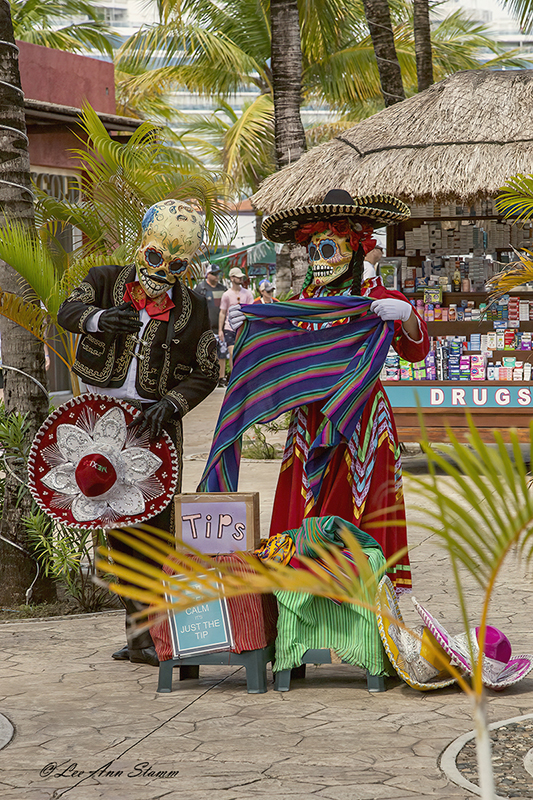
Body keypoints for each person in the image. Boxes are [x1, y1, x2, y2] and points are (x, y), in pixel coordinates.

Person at [218, 189, 429, 594]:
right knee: (304, 501)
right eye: (313, 249)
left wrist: (407, 317)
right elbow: (278, 354)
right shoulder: (299, 303)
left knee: (363, 502)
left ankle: (370, 607)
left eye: (329, 246)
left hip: (363, 418)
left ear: (354, 247)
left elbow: (415, 351)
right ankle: (303, 603)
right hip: (311, 418)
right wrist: (252, 325)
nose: (320, 259)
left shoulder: (377, 299)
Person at [57, 198, 219, 665]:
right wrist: (98, 319)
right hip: (97, 425)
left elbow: (206, 371)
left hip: (154, 424)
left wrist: (171, 403)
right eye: (154, 257)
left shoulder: (197, 306)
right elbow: (68, 312)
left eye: (177, 263)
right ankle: (139, 636)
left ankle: (150, 635)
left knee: (154, 530)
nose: (163, 270)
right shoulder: (104, 281)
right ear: (140, 246)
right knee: (109, 527)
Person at [194, 263, 229, 387]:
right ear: (207, 275)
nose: (216, 276)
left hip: (220, 327)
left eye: (218, 273)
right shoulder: (200, 288)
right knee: (206, 353)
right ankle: (206, 377)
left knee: (222, 353)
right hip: (205, 327)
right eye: (214, 274)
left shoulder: (223, 289)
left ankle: (221, 378)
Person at [218, 266, 253, 371]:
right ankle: (234, 377)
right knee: (232, 352)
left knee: (242, 353)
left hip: (243, 327)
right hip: (229, 328)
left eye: (241, 277)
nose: (240, 279)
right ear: (232, 278)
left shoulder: (247, 294)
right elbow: (222, 312)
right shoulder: (226, 295)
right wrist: (220, 330)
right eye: (238, 277)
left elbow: (251, 310)